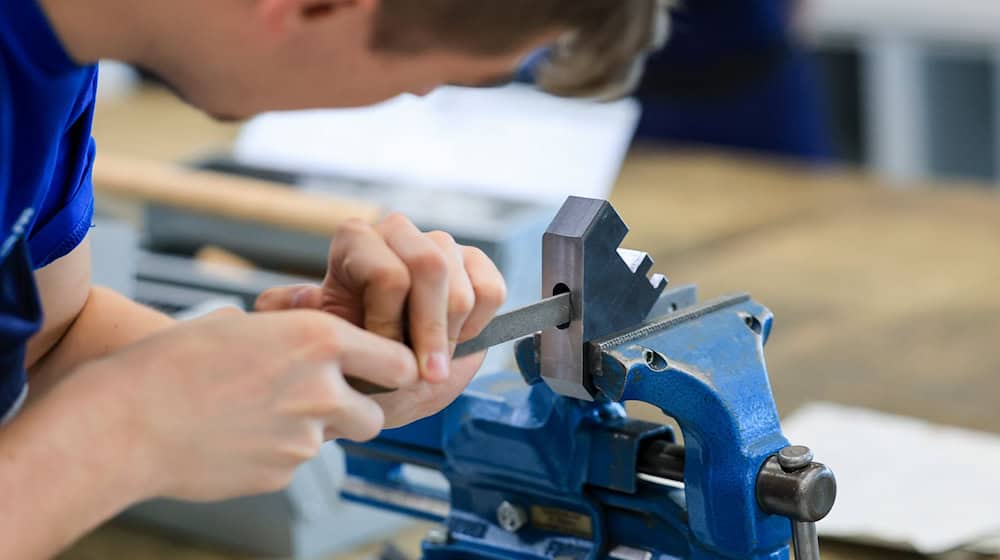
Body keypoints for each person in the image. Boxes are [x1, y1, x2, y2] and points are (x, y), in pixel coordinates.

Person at [0, 0, 667, 557]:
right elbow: (107, 420)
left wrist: (301, 372)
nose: (421, 96)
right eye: (427, 77)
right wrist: (124, 434)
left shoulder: (56, 57)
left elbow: (47, 345)